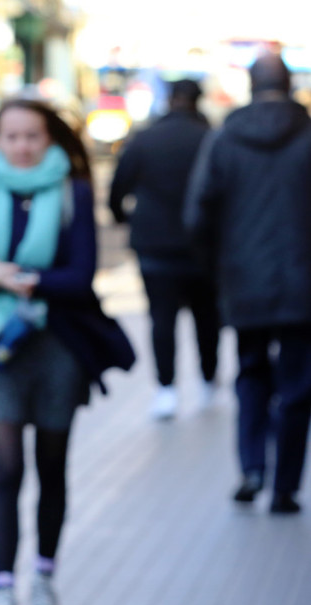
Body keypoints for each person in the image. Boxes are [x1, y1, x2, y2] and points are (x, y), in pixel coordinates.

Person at [0, 99, 133, 605]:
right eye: (12, 136)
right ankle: (1, 591)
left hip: (57, 347)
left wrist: (9, 275)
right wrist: (4, 278)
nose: (23, 146)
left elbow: (80, 277)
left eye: (33, 136)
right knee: (6, 471)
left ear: (50, 140)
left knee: (52, 466)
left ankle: (45, 578)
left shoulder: (72, 191)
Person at [184, 53, 311, 515]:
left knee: (252, 373)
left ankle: (252, 469)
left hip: (244, 281)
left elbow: (197, 215)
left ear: (251, 88)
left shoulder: (225, 140)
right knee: (298, 385)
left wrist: (218, 269)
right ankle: (285, 487)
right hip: (302, 286)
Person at [109, 79, 220, 420]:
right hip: (203, 247)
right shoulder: (211, 139)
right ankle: (208, 382)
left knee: (161, 319)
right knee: (207, 318)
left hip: (155, 246)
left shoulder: (146, 139)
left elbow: (117, 190)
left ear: (170, 100)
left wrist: (127, 219)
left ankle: (166, 389)